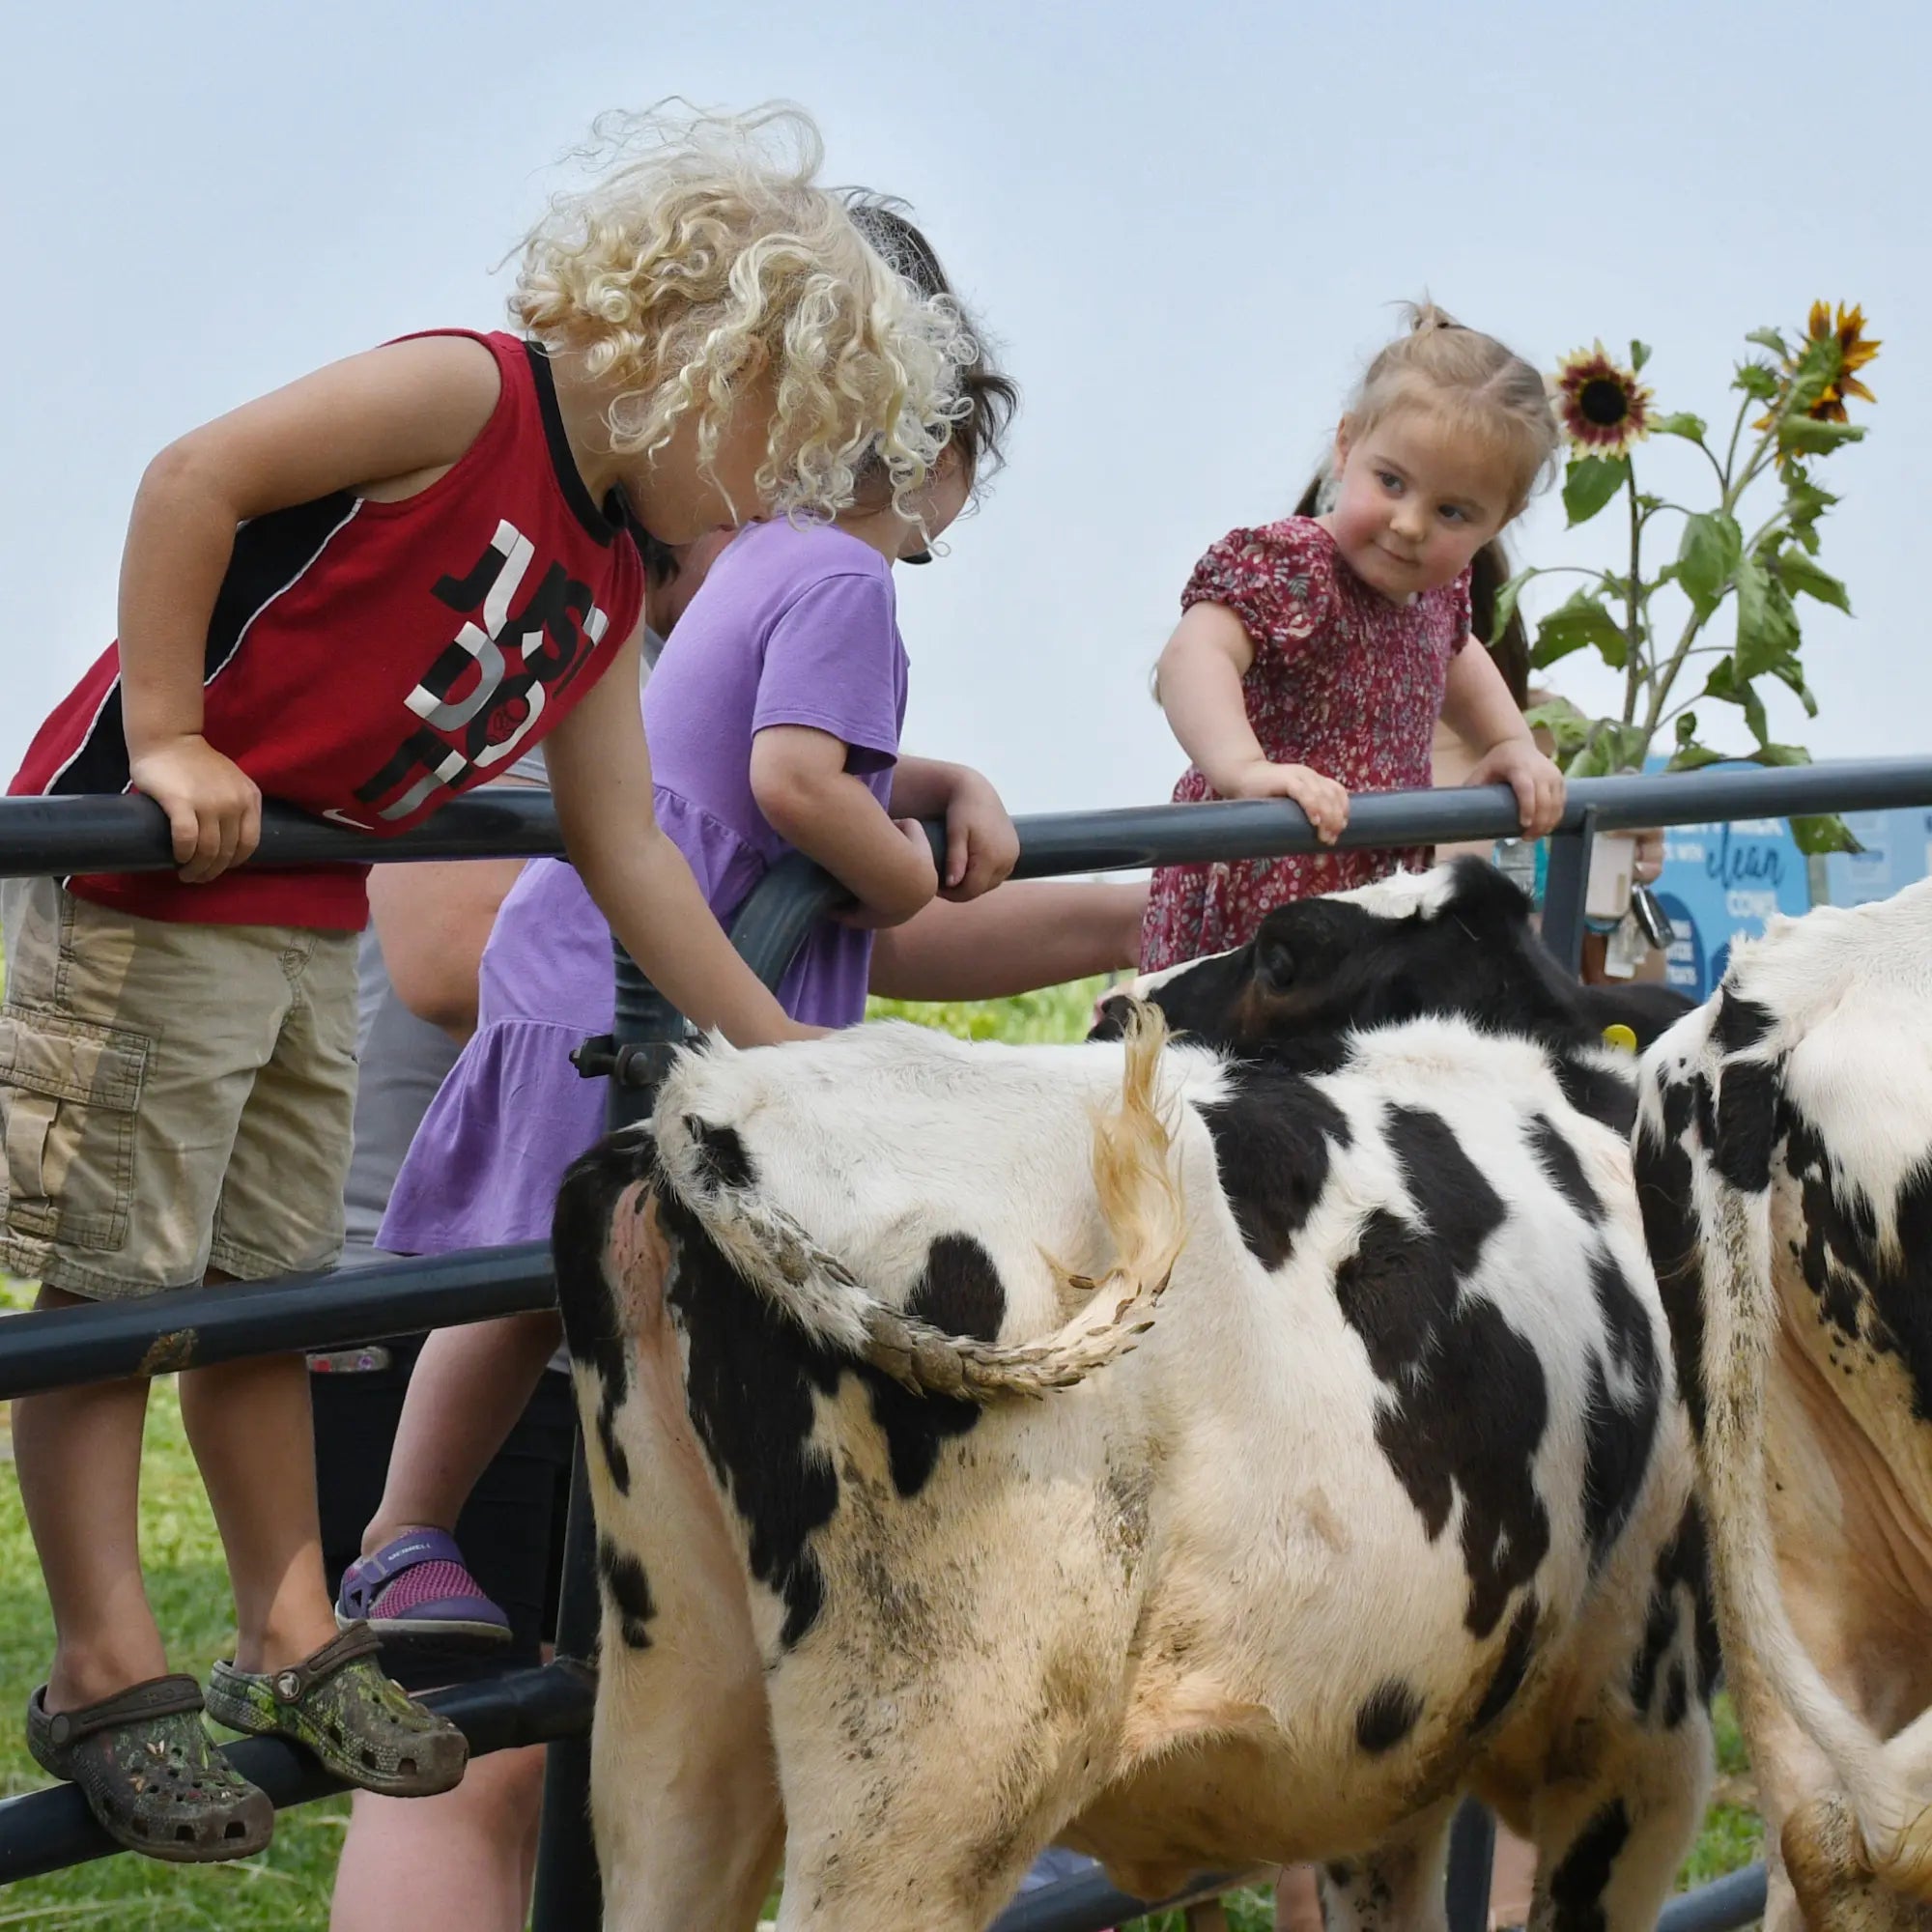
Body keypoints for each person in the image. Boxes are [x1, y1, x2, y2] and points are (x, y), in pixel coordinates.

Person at [0, 102, 974, 1862]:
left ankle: (291, 1624)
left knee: (270, 1292)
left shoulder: (607, 579)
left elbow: (629, 854)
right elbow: (192, 481)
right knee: (112, 1285)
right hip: (149, 877)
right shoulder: (467, 394)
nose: (773, 503)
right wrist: (169, 734)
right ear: (705, 365)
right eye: (779, 446)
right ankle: (102, 1663)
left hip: (297, 910)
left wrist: (788, 1059)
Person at [317, 532, 723, 1932]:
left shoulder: (671, 671)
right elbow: (445, 954)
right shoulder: (542, 634)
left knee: (581, 1748)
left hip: (577, 1288)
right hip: (439, 1286)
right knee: (464, 1763)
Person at [1141, 303, 1569, 972]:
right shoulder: (1297, 565)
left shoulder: (1436, 596)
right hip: (1261, 862)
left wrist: (1510, 745)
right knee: (1234, 1024)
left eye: (1452, 511)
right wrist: (1245, 769)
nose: (1409, 524)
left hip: (1371, 881)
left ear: (1501, 519)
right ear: (1346, 446)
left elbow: (1458, 659)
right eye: (1391, 481)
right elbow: (1194, 654)